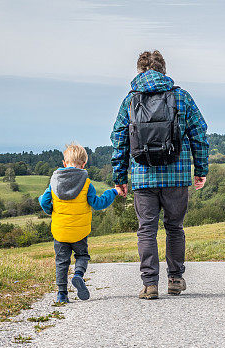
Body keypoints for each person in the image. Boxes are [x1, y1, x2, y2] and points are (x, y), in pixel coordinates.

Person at [111, 50, 209, 300]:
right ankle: (175, 279)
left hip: (143, 176)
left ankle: (150, 284)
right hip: (176, 175)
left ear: (140, 71)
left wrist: (120, 175)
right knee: (174, 228)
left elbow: (119, 139)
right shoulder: (182, 97)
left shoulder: (130, 100)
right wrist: (200, 170)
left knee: (146, 230)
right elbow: (199, 134)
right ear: (163, 70)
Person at [39, 142, 122, 304]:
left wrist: (52, 211)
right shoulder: (86, 183)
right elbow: (98, 204)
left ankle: (62, 294)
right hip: (79, 232)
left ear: (64, 163)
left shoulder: (54, 182)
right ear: (84, 164)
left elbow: (44, 202)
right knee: (82, 256)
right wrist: (113, 192)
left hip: (60, 231)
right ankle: (78, 275)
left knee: (61, 262)